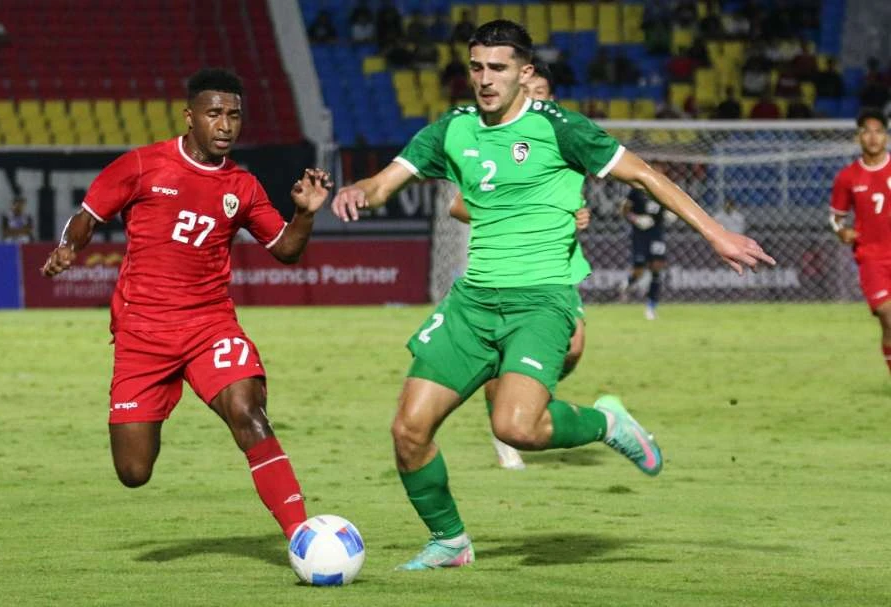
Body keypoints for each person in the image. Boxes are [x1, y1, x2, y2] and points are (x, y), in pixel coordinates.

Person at [331, 20, 774, 570]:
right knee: (408, 430)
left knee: (516, 427)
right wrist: (357, 192)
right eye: (476, 67)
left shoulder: (560, 128)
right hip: (471, 302)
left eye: (498, 68)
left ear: (525, 72)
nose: (485, 79)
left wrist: (716, 234)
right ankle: (450, 542)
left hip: (541, 300)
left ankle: (609, 424)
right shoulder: (452, 130)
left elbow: (645, 175)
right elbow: (384, 182)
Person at [41, 69, 331, 541]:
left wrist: (303, 214)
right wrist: (68, 247)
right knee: (134, 471)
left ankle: (303, 536)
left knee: (249, 412)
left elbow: (285, 249)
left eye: (234, 115)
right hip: (143, 332)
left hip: (209, 326)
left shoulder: (243, 186)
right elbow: (88, 214)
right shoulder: (143, 165)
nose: (225, 126)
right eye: (214, 114)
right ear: (189, 116)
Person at [449, 61, 593, 470]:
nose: (537, 98)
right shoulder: (498, 143)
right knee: (519, 352)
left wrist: (578, 214)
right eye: (530, 92)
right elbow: (458, 205)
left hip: (558, 263)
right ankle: (508, 423)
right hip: (511, 267)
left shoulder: (561, 139)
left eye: (543, 92)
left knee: (574, 348)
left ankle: (518, 400)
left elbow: (566, 200)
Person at [830, 108, 891, 375]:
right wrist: (842, 232)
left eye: (879, 131)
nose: (873, 137)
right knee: (889, 315)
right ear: (858, 138)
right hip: (871, 258)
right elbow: (836, 217)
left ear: (886, 137)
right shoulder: (848, 176)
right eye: (867, 131)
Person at [619, 173, 673, 319]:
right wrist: (635, 218)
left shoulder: (663, 190)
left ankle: (651, 306)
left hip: (657, 233)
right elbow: (624, 209)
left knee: (657, 267)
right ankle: (629, 283)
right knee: (640, 268)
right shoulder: (637, 190)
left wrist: (671, 213)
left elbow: (672, 206)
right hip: (640, 234)